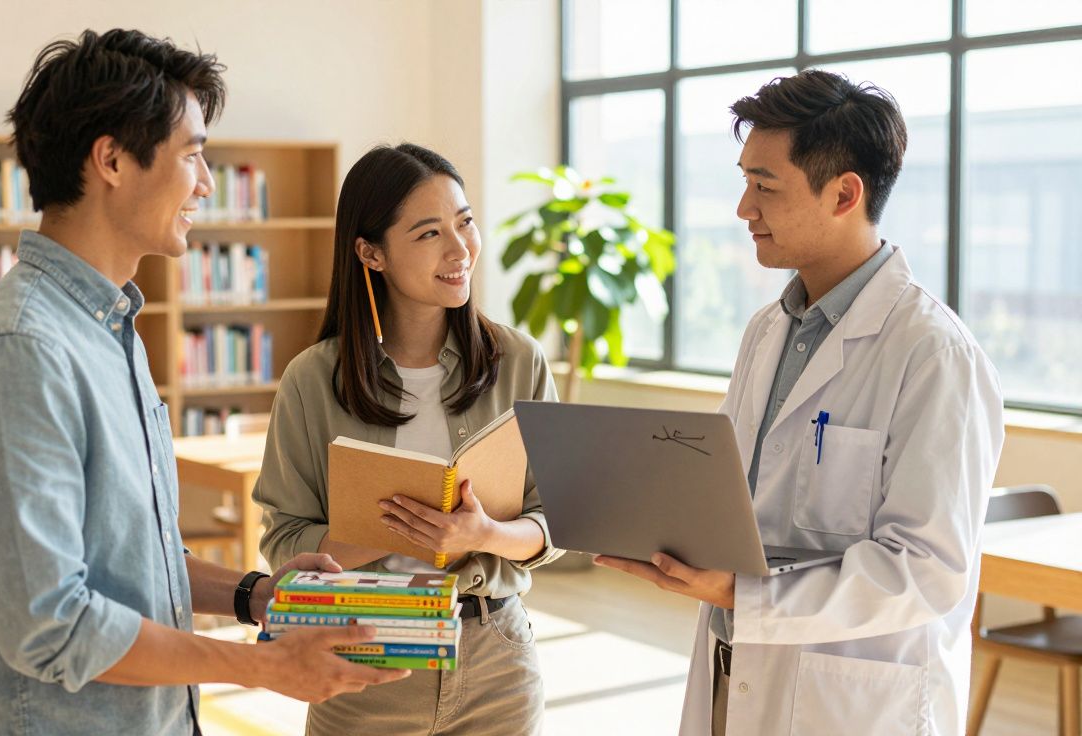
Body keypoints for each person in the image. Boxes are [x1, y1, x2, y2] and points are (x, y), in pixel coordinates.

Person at [0, 28, 406, 736]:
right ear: (112, 160)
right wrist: (267, 666)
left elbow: (132, 560)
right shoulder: (20, 351)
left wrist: (256, 595)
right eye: (191, 155)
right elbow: (50, 624)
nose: (206, 183)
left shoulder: (108, 328)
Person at [594, 69, 1004, 735]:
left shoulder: (933, 353)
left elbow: (927, 570)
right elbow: (733, 499)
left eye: (765, 186)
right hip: (734, 671)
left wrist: (744, 592)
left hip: (848, 704)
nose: (743, 208)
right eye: (744, 182)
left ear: (844, 194)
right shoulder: (768, 330)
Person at [252, 142, 563, 735]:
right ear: (371, 253)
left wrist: (483, 535)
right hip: (364, 654)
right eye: (429, 233)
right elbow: (285, 544)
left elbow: (557, 519)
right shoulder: (312, 380)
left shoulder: (520, 361)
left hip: (497, 659)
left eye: (464, 222)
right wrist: (391, 529)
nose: (459, 249)